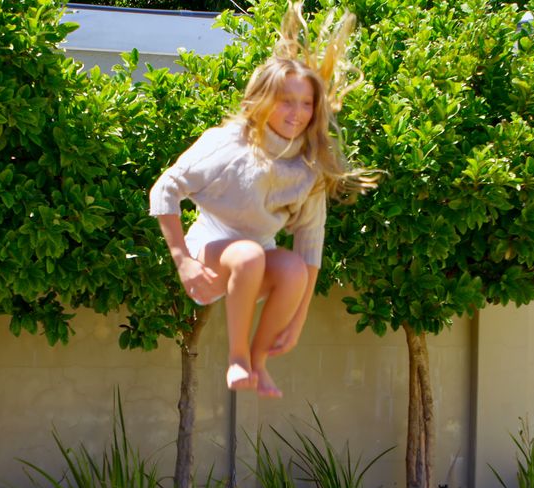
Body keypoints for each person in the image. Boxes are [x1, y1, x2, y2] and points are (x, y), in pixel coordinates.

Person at [149, 2, 375, 398]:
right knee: (249, 255)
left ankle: (257, 363)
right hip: (211, 252)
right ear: (264, 99)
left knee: (291, 269)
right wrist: (182, 261)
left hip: (257, 257)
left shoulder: (309, 164)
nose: (297, 113)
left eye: (306, 104)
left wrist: (298, 318)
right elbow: (166, 188)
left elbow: (309, 241)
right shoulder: (228, 143)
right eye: (287, 101)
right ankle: (236, 357)